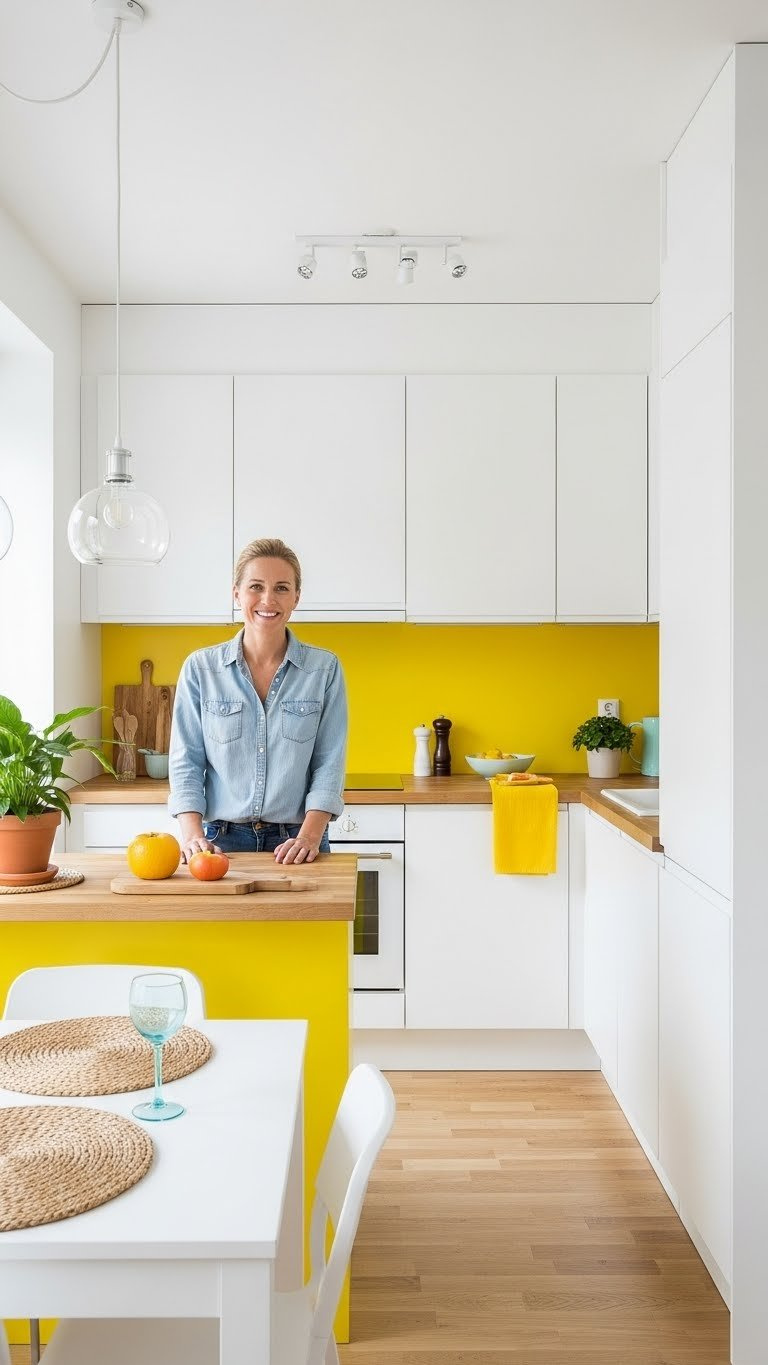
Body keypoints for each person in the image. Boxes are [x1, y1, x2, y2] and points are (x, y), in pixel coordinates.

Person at [168, 537, 347, 865]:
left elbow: (329, 762)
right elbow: (186, 760)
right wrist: (192, 835)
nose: (268, 599)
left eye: (281, 588)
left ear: (296, 598)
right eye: (256, 586)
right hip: (220, 842)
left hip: (299, 840)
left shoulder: (324, 669)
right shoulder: (201, 669)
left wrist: (309, 837)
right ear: (237, 593)